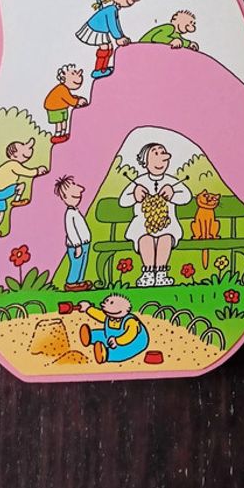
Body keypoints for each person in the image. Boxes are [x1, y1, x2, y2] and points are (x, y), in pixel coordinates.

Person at [118, 143, 192, 287]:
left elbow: (186, 196)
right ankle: (148, 273)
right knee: (145, 239)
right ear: (145, 162)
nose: (160, 161)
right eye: (155, 155)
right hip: (143, 225)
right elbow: (123, 201)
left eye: (163, 155)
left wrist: (173, 193)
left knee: (166, 239)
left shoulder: (172, 182)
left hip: (167, 224)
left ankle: (161, 273)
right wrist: (134, 195)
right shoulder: (139, 182)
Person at [75, 0, 143, 79]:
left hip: (101, 30)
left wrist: (121, 36)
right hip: (96, 29)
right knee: (105, 48)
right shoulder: (111, 10)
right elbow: (112, 25)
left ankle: (103, 68)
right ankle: (98, 70)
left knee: (109, 47)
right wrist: (118, 38)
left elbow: (116, 24)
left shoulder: (114, 9)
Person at [0, 138, 48, 237]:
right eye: (22, 154)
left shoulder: (9, 165)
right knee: (21, 186)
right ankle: (16, 200)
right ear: (14, 155)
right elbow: (27, 172)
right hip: (0, 191)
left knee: (1, 212)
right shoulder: (14, 165)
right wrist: (38, 171)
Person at [77, 295, 149, 364]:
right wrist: (88, 308)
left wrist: (117, 341)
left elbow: (130, 335)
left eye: (111, 303)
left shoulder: (131, 321)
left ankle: (106, 354)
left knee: (122, 352)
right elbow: (99, 315)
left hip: (132, 342)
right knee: (101, 334)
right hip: (111, 336)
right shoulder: (109, 316)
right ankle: (90, 337)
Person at [54, 175, 92, 291]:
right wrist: (77, 245)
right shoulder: (70, 214)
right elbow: (71, 232)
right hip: (77, 245)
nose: (78, 199)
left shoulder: (76, 211)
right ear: (64, 197)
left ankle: (80, 282)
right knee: (76, 264)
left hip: (85, 243)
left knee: (83, 263)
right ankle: (71, 283)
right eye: (74, 197)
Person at [43, 64, 88, 144]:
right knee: (59, 123)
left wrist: (78, 99)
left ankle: (63, 134)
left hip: (62, 108)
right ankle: (57, 135)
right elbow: (70, 100)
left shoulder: (65, 89)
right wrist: (78, 101)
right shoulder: (61, 89)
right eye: (73, 73)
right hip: (54, 109)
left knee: (64, 121)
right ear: (64, 78)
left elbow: (70, 97)